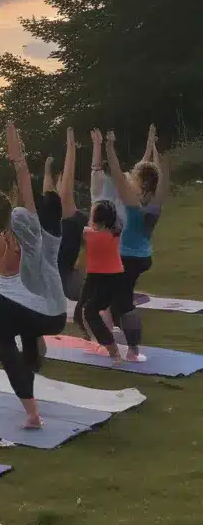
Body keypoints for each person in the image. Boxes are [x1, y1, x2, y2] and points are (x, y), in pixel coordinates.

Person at [0, 124, 67, 429]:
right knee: (19, 310)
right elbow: (25, 180)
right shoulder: (33, 230)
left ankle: (32, 413)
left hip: (15, 311)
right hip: (53, 316)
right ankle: (34, 361)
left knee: (1, 336)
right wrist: (17, 153)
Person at [95, 127, 165, 362]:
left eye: (135, 176)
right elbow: (156, 173)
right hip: (142, 256)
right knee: (118, 300)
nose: (131, 178)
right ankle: (117, 330)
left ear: (142, 183)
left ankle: (133, 350)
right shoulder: (155, 202)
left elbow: (116, 175)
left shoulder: (133, 204)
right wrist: (153, 148)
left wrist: (110, 148)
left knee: (124, 303)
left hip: (127, 257)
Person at [74, 199, 128, 364]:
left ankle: (114, 352)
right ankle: (95, 338)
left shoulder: (93, 235)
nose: (89, 220)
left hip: (108, 278)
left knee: (90, 312)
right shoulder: (115, 232)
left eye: (92, 216)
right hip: (98, 276)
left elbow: (79, 227)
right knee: (80, 313)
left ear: (101, 222)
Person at [51, 127, 87, 302]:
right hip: (63, 282)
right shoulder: (73, 218)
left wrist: (71, 148)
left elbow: (66, 190)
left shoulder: (71, 218)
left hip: (65, 283)